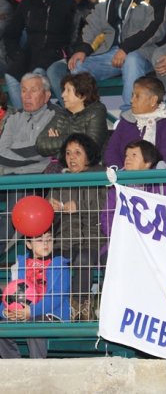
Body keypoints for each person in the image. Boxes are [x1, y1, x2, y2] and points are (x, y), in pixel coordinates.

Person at [50, 0, 166, 112]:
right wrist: (83, 49)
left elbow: (156, 29)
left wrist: (126, 48)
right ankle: (87, 114)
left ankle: (130, 113)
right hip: (112, 53)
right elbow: (93, 22)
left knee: (132, 60)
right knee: (78, 67)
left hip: (145, 52)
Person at [45, 133, 106, 321]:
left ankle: (79, 308)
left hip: (93, 239)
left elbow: (106, 206)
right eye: (69, 153)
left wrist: (79, 207)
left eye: (78, 153)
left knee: (84, 259)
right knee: (50, 259)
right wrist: (50, 209)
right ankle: (53, 308)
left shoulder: (101, 177)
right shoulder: (60, 180)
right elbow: (47, 217)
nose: (72, 158)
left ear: (89, 156)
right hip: (64, 240)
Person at [3, 0, 76, 110]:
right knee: (11, 75)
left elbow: (75, 30)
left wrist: (69, 52)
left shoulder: (65, 0)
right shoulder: (26, 4)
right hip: (31, 52)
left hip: (56, 52)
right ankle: (24, 118)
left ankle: (42, 119)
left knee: (35, 76)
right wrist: (16, 54)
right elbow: (10, 34)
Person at [0, 229, 71, 358]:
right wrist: (5, 311)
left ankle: (37, 368)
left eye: (49, 239)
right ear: (28, 244)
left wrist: (31, 311)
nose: (45, 244)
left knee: (34, 325)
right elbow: (9, 293)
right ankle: (14, 367)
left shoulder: (60, 265)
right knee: (2, 328)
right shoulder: (19, 265)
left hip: (51, 314)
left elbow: (57, 297)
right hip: (23, 313)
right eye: (39, 240)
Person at [101, 140, 166, 261]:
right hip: (121, 241)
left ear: (148, 162)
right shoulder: (117, 186)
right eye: (126, 155)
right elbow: (107, 215)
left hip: (153, 243)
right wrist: (120, 234)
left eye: (134, 155)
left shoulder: (160, 185)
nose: (128, 159)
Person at [105, 76, 166, 169]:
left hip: (153, 180)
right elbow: (111, 151)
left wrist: (145, 178)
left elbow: (165, 157)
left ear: (153, 100)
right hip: (121, 177)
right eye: (132, 95)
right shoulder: (126, 120)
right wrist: (120, 173)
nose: (132, 100)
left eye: (137, 96)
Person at [36, 72, 108, 158]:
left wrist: (58, 142)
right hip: (64, 167)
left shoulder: (96, 112)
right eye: (64, 90)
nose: (63, 95)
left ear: (82, 95)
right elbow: (40, 144)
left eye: (68, 90)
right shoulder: (61, 114)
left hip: (89, 168)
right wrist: (77, 139)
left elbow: (91, 146)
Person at [0, 73, 57, 176]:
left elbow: (42, 150)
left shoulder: (56, 116)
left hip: (42, 179)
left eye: (33, 91)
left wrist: (12, 147)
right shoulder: (13, 118)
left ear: (46, 96)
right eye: (23, 91)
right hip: (11, 178)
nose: (27, 96)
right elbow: (2, 151)